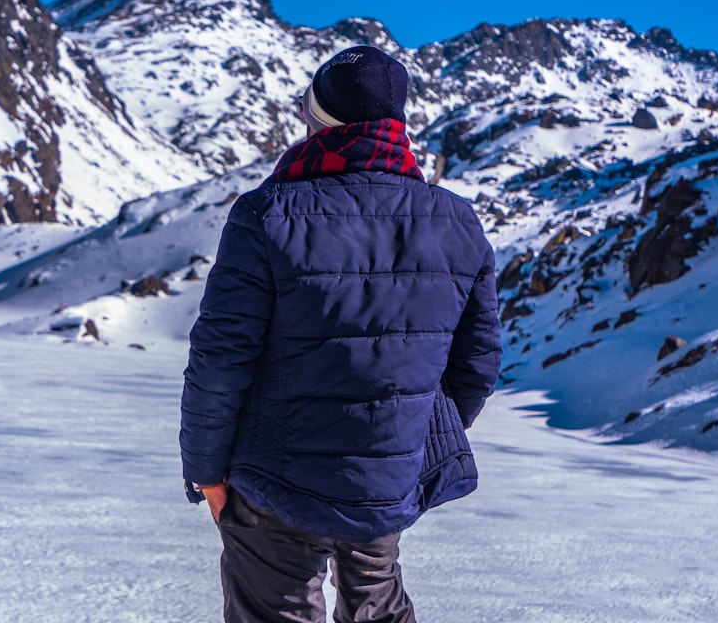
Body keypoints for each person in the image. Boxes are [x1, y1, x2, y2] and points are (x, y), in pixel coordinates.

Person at [180, 45, 502, 623]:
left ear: (321, 120)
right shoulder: (458, 221)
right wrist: (399, 440)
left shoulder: (268, 212)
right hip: (385, 481)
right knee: (377, 601)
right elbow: (476, 363)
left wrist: (206, 471)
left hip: (272, 478)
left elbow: (221, 359)